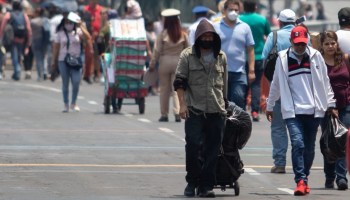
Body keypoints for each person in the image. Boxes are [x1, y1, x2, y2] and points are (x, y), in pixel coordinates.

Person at [265, 25, 337, 196]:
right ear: (290, 42)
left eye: (303, 44)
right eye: (297, 44)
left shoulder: (315, 56)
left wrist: (331, 104)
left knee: (309, 149)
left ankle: (305, 176)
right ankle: (300, 180)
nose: (300, 47)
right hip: (292, 110)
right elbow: (275, 84)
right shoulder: (282, 58)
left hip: (314, 110)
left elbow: (325, 82)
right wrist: (269, 105)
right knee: (298, 143)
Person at [174, 19, 227, 198]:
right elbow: (179, 81)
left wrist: (225, 106)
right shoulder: (187, 56)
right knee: (193, 146)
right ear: (197, 38)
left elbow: (224, 85)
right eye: (203, 36)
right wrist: (182, 104)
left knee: (213, 150)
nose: (207, 38)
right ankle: (192, 182)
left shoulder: (221, 57)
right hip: (194, 109)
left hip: (216, 110)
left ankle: (206, 185)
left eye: (210, 35)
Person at [261, 9, 296, 174]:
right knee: (298, 126)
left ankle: (280, 162)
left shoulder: (273, 36)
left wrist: (271, 82)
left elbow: (264, 60)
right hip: (299, 89)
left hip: (278, 87)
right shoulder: (306, 36)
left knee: (278, 127)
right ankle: (300, 162)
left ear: (279, 22)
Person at [319, 31, 349, 190]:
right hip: (326, 108)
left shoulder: (344, 59)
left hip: (346, 106)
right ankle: (329, 176)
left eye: (333, 43)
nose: (330, 46)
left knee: (343, 140)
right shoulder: (318, 62)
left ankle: (341, 177)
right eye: (327, 43)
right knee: (330, 142)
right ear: (321, 46)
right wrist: (330, 107)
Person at [213, 0, 255, 110]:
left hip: (239, 72)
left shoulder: (245, 27)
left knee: (238, 98)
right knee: (220, 102)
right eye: (231, 10)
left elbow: (250, 50)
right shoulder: (216, 27)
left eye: (236, 10)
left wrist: (251, 70)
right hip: (219, 71)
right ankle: (222, 125)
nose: (233, 12)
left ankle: (236, 124)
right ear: (224, 10)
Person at [149, 8, 189, 122]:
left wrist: (152, 64)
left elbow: (156, 51)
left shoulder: (162, 34)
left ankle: (164, 114)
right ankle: (177, 112)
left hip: (164, 63)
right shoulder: (183, 34)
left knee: (164, 90)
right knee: (177, 88)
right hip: (179, 63)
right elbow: (188, 50)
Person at [51, 12, 91, 112]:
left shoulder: (78, 31)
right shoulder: (59, 33)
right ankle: (66, 104)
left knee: (76, 81)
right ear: (64, 23)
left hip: (76, 60)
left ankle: (73, 103)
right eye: (67, 22)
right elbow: (56, 48)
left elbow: (88, 37)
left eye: (70, 22)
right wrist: (53, 62)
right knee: (65, 83)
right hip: (63, 60)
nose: (68, 24)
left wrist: (80, 25)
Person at [239, 0, 271, 121]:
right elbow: (269, 35)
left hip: (242, 56)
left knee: (243, 83)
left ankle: (241, 109)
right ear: (256, 7)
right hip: (258, 56)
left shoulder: (240, 19)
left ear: (243, 7)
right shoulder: (262, 20)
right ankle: (255, 111)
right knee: (256, 84)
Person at [0, 0, 32, 81]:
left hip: (12, 38)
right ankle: (17, 70)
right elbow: (28, 28)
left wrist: (1, 36)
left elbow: (3, 26)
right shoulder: (24, 15)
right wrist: (28, 40)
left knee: (14, 55)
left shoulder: (9, 14)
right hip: (22, 38)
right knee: (18, 55)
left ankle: (17, 71)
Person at [30, 7, 50, 81]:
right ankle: (44, 72)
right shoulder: (47, 21)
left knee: (38, 58)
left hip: (36, 40)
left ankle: (40, 75)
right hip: (45, 41)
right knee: (44, 57)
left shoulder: (33, 21)